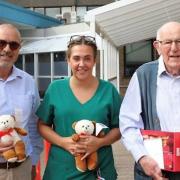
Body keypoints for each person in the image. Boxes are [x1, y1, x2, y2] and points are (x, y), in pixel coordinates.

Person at [36, 35, 122, 180]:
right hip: (61, 171)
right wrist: (63, 142)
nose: (81, 64)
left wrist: (100, 142)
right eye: (76, 58)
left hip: (99, 170)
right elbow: (42, 125)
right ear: (68, 60)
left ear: (95, 61)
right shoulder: (56, 88)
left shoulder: (108, 90)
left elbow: (119, 128)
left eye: (87, 58)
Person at [119, 21, 180, 180]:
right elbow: (128, 122)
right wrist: (142, 157)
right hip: (154, 170)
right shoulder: (143, 75)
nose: (174, 48)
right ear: (157, 46)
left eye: (179, 41)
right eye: (168, 42)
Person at [0, 24, 43, 180]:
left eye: (13, 44)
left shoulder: (28, 81)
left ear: (19, 48)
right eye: (1, 43)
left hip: (22, 168)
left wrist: (34, 160)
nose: (7, 49)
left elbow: (33, 123)